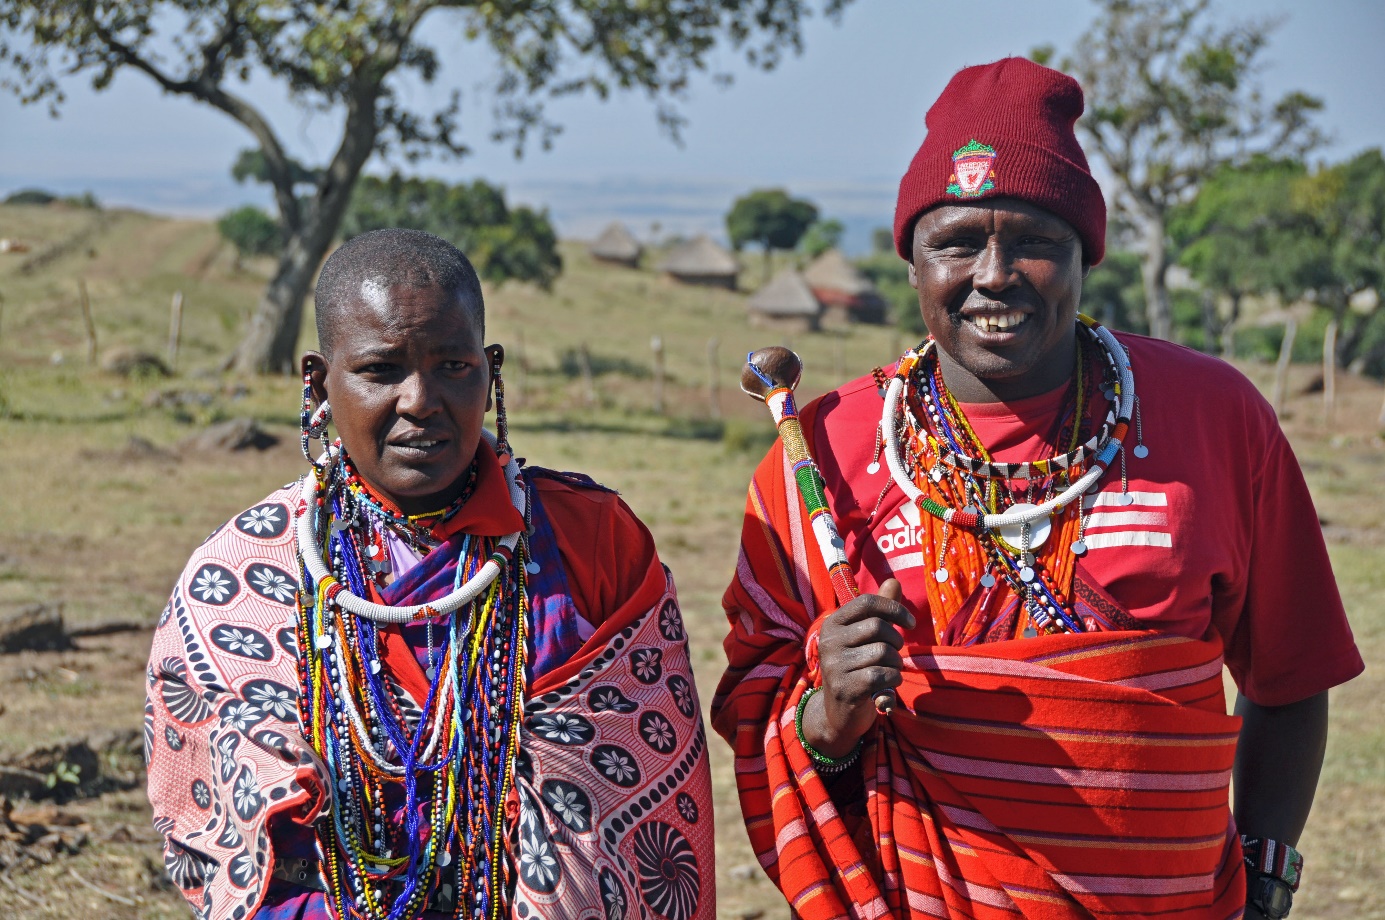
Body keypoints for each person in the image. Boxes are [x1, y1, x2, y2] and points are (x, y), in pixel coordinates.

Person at [712, 58, 1362, 920]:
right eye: (954, 242)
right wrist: (827, 717)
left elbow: (1288, 677)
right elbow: (759, 717)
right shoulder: (821, 453)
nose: (993, 273)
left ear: (1084, 255)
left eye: (1032, 241)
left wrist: (1265, 879)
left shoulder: (1214, 415)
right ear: (910, 260)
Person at [146, 229, 715, 920]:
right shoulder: (244, 573)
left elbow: (650, 824)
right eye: (382, 369)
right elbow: (245, 855)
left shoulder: (590, 537)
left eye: (452, 365)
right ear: (318, 382)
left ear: (491, 368)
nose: (421, 400)